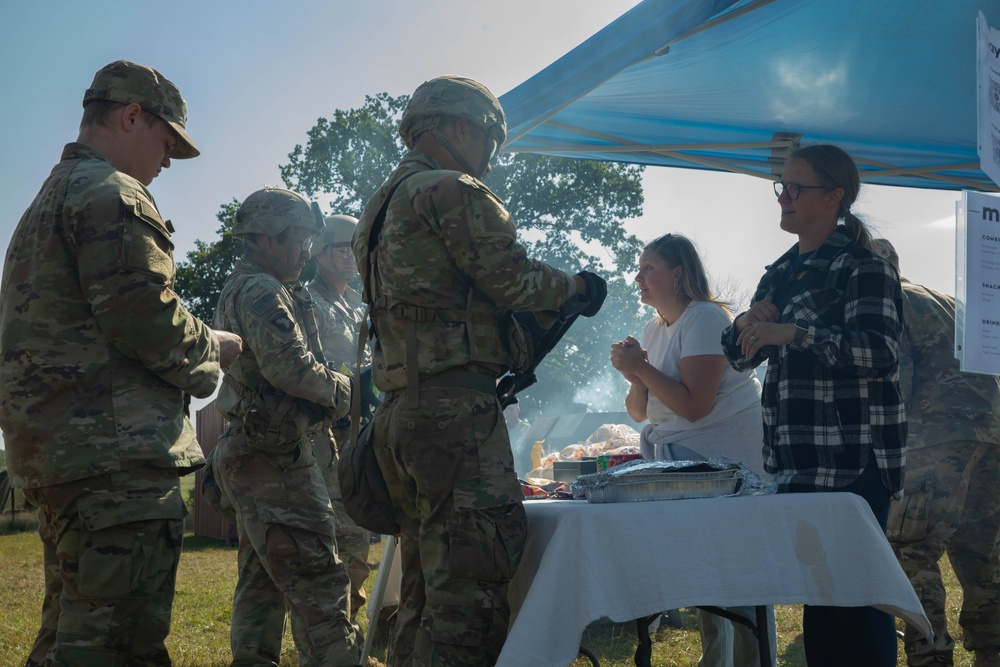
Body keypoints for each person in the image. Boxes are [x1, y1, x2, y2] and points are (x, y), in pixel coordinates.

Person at [0, 59, 243, 665]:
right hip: (115, 463)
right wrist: (215, 347)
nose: (166, 162)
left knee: (68, 638)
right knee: (115, 646)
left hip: (64, 460)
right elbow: (148, 321)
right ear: (133, 115)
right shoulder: (112, 194)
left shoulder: (45, 204)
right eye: (167, 142)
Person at [353, 75, 601, 666]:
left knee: (424, 588)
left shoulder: (381, 204)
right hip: (453, 415)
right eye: (489, 139)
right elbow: (514, 279)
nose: (491, 157)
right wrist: (576, 287)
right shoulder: (452, 190)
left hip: (399, 412)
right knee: (468, 595)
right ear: (459, 127)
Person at [721, 144, 907, 667]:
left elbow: (879, 351)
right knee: (821, 604)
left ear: (834, 197)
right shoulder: (780, 271)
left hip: (853, 463)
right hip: (798, 463)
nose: (784, 197)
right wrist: (741, 326)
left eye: (796, 187)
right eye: (781, 186)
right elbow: (736, 358)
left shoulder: (863, 266)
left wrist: (796, 333)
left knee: (859, 604)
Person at [610, 233, 776, 667]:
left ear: (678, 272)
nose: (638, 277)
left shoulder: (705, 318)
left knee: (736, 571)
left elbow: (695, 407)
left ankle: (750, 662)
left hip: (728, 463)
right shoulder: (654, 327)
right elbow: (639, 413)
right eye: (639, 268)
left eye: (648, 268)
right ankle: (716, 659)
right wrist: (634, 378)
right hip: (687, 462)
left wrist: (641, 366)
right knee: (702, 565)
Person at [212, 187, 360, 667]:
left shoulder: (257, 286)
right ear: (266, 238)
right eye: (297, 239)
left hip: (258, 450)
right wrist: (347, 392)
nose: (305, 250)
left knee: (263, 580)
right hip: (275, 458)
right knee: (319, 580)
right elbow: (293, 368)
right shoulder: (260, 290)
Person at [873, 238, 1000, 667]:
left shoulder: (890, 301)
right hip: (991, 436)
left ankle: (931, 657)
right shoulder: (950, 302)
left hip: (935, 441)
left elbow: (898, 382)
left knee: (913, 552)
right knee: (983, 553)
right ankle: (992, 652)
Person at [310, 213, 372, 634]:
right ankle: (335, 640)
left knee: (359, 537)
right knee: (339, 540)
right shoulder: (306, 301)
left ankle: (348, 630)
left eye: (355, 249)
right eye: (339, 248)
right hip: (323, 436)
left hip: (359, 434)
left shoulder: (357, 304)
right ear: (320, 251)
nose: (349, 257)